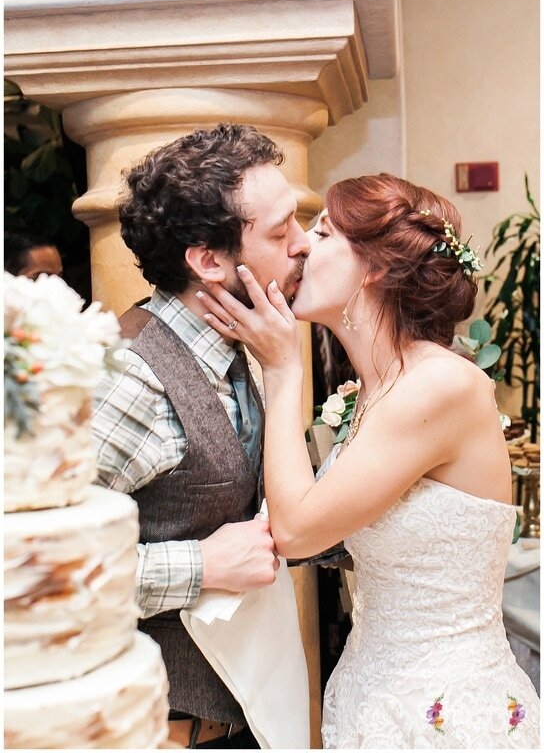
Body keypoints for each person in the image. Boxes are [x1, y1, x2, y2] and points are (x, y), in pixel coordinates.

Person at [198, 173, 540, 749]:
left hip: (444, 713)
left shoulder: (440, 385)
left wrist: (283, 371)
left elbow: (300, 530)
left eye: (324, 232)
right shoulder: (368, 397)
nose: (302, 245)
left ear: (378, 267)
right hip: (368, 692)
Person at [91, 124, 310, 748]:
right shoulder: (130, 379)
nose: (303, 247)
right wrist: (202, 564)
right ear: (209, 260)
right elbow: (28, 569)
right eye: (279, 232)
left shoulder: (244, 345)